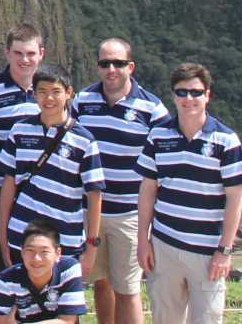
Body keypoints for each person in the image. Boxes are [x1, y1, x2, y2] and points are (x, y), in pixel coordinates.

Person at [136, 63, 242, 324]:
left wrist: (225, 250)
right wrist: (144, 240)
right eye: (182, 92)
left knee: (207, 319)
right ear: (174, 96)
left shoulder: (226, 140)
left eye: (196, 92)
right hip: (165, 245)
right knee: (165, 318)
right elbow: (148, 189)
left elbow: (236, 198)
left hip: (208, 251)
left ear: (207, 95)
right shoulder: (158, 136)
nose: (189, 99)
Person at [71, 37, 169, 324]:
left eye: (118, 63)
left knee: (127, 289)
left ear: (131, 67)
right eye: (105, 63)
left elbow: (164, 161)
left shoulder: (153, 109)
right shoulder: (82, 102)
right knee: (100, 282)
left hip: (129, 214)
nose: (111, 69)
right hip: (92, 212)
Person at [0, 71, 103, 269]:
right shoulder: (20, 131)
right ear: (34, 94)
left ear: (69, 93)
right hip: (21, 234)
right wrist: (2, 234)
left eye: (56, 91)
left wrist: (91, 247)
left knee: (61, 299)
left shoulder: (84, 140)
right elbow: (9, 182)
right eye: (42, 92)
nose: (49, 98)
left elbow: (94, 195)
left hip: (65, 241)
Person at [0, 25, 47, 308]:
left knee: (39, 271)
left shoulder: (52, 91)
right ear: (7, 52)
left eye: (30, 53)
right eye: (18, 53)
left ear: (41, 54)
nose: (24, 60)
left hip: (39, 201)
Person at [0, 221, 86, 324]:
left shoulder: (69, 269)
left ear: (58, 254)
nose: (36, 259)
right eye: (30, 250)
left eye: (44, 252)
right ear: (22, 252)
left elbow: (67, 321)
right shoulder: (5, 279)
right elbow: (0, 321)